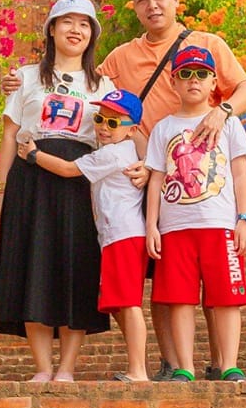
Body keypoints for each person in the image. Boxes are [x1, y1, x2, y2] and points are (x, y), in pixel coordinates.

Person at [98, 0, 246, 378]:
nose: (152, 5)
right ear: (134, 8)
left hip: (208, 188)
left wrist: (222, 112)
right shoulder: (122, 56)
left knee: (216, 282)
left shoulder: (208, 44)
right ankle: (174, 363)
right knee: (166, 280)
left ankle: (223, 363)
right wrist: (25, 83)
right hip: (151, 178)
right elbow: (92, 91)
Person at [0, 0, 110, 383]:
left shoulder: (102, 85)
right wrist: (0, 190)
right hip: (30, 177)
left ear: (92, 35)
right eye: (67, 22)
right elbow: (10, 134)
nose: (76, 30)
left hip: (79, 180)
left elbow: (116, 135)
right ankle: (42, 367)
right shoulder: (25, 77)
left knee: (77, 266)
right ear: (52, 29)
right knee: (33, 264)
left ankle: (67, 368)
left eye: (84, 24)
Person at [18, 89, 151, 382]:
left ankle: (139, 370)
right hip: (115, 237)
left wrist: (34, 155)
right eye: (100, 119)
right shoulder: (121, 152)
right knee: (118, 303)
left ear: (132, 130)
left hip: (124, 236)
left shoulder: (113, 154)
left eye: (113, 123)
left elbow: (68, 169)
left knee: (129, 304)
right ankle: (137, 366)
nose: (103, 127)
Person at [144, 44, 246, 381]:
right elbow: (156, 179)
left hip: (220, 225)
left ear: (213, 82)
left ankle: (229, 364)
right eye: (186, 74)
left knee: (226, 298)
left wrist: (244, 219)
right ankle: (185, 367)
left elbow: (240, 173)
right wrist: (151, 225)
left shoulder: (230, 125)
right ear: (173, 82)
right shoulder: (163, 128)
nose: (194, 80)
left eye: (202, 74)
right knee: (179, 300)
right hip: (175, 228)